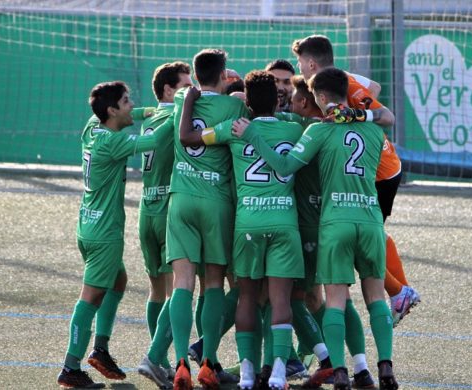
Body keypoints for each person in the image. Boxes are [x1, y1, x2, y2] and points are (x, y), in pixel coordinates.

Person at [233, 67, 399, 390]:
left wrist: (253, 135)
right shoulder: (374, 130)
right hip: (370, 220)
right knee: (376, 297)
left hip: (335, 222)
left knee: (335, 299)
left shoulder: (318, 132)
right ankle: (385, 367)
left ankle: (337, 370)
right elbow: (385, 118)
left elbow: (283, 167)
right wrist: (360, 114)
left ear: (319, 98)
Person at [179, 70, 305, 390]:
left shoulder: (232, 129)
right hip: (284, 224)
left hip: (248, 223)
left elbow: (190, 138)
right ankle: (277, 371)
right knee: (279, 299)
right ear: (278, 100)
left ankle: (247, 373)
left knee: (246, 297)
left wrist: (191, 102)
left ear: (246, 103)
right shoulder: (294, 128)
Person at [292, 34, 420, 329]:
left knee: (360, 234)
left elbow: (386, 115)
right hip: (370, 168)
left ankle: (399, 291)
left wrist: (353, 114)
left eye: (301, 63)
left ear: (311, 63)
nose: (300, 69)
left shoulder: (342, 84)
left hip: (380, 171)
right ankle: (400, 291)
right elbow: (372, 87)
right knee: (366, 231)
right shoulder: (340, 80)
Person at [57, 81, 172, 388]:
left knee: (118, 281)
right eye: (125, 102)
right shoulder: (113, 142)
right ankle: (70, 366)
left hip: (87, 225)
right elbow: (157, 140)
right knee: (91, 296)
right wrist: (180, 112)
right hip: (104, 233)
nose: (131, 105)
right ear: (111, 110)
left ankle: (101, 349)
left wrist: (162, 108)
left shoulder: (92, 128)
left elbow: (138, 114)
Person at [166, 48, 248, 390]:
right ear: (223, 72)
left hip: (181, 198)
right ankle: (209, 362)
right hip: (217, 201)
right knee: (213, 283)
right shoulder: (235, 106)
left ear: (197, 74)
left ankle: (181, 360)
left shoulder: (182, 99)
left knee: (182, 283)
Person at [137, 61, 193, 383]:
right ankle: (156, 356)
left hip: (147, 208)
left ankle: (160, 358)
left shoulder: (150, 117)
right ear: (169, 90)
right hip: (168, 210)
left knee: (157, 289)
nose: (191, 91)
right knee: (179, 290)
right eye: (185, 86)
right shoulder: (175, 117)